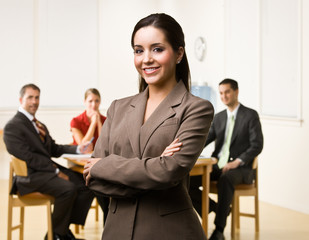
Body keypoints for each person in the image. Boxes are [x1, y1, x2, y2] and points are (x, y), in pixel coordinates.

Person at [83, 13, 214, 240]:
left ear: (179, 53)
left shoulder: (196, 109)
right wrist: (155, 166)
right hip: (116, 232)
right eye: (139, 50)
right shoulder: (117, 108)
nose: (146, 59)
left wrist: (104, 165)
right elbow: (92, 178)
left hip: (170, 232)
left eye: (157, 49)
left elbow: (168, 173)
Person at [3, 83, 95, 240]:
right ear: (20, 100)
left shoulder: (39, 125)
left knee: (86, 184)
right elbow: (28, 158)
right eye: (30, 97)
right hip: (30, 177)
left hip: (46, 172)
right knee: (68, 189)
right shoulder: (13, 127)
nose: (34, 101)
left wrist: (79, 149)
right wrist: (57, 172)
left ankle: (60, 231)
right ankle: (57, 235)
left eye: (37, 97)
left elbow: (54, 149)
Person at [189, 78, 264, 240]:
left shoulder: (250, 115)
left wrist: (237, 162)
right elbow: (205, 139)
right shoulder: (219, 117)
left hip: (242, 169)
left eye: (227, 92)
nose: (224, 96)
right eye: (221, 93)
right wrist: (188, 149)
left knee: (226, 178)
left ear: (236, 92)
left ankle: (219, 230)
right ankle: (217, 207)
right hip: (218, 165)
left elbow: (257, 145)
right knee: (187, 181)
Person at [70, 88, 109, 223]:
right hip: (78, 165)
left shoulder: (106, 120)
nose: (93, 105)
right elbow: (84, 147)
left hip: (97, 163)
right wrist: (93, 123)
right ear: (84, 102)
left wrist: (98, 122)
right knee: (97, 185)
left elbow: (106, 144)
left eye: (96, 101)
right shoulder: (76, 121)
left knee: (103, 184)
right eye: (90, 101)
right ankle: (108, 217)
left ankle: (108, 221)